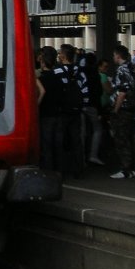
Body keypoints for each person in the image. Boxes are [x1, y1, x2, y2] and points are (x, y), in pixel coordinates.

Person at [53, 44, 88, 178]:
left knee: (60, 140)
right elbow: (85, 91)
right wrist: (82, 106)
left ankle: (61, 169)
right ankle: (78, 169)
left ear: (63, 55)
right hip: (76, 111)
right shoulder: (80, 72)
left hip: (62, 111)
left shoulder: (57, 71)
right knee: (76, 141)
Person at [109, 45, 135, 179]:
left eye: (114, 55)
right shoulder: (132, 68)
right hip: (132, 107)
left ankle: (125, 169)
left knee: (121, 139)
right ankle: (132, 168)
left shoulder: (121, 70)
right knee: (129, 138)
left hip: (123, 109)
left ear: (118, 55)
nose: (113, 57)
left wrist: (115, 109)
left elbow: (122, 92)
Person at [37, 46, 64, 173]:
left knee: (46, 145)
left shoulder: (40, 79)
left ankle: (48, 172)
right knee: (58, 145)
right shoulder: (58, 77)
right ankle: (59, 172)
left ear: (43, 61)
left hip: (45, 115)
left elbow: (41, 92)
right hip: (58, 113)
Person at [82, 52, 106, 165]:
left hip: (81, 105)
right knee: (97, 129)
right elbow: (98, 92)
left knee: (82, 131)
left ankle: (81, 157)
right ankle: (93, 155)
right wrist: (100, 110)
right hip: (93, 105)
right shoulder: (95, 74)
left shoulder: (81, 72)